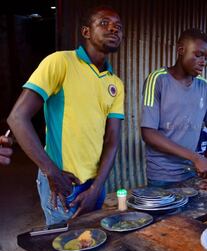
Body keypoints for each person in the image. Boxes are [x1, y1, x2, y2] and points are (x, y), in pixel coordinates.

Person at [7, 6, 124, 225]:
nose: (113, 29)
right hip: (62, 183)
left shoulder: (115, 83)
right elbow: (17, 118)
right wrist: (51, 172)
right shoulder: (60, 62)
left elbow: (112, 141)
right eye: (104, 23)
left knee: (92, 244)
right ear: (86, 32)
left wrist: (97, 188)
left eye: (118, 27)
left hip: (96, 185)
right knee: (65, 248)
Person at [140, 28, 207, 186]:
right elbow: (148, 133)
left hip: (192, 173)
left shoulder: (203, 86)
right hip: (163, 175)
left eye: (206, 57)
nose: (203, 61)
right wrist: (196, 157)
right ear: (181, 50)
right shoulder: (158, 80)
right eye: (198, 55)